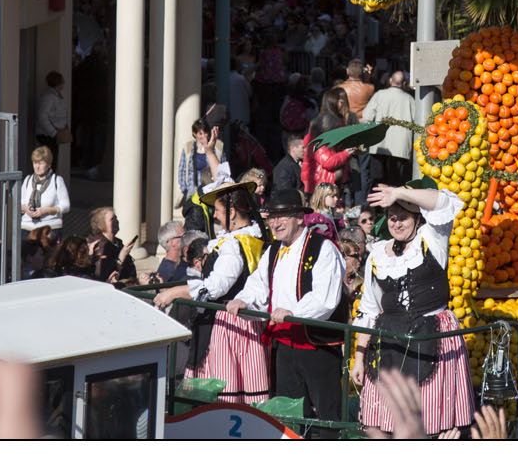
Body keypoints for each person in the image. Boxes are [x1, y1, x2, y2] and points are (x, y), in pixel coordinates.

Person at [352, 183, 473, 437]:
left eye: (404, 217)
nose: (397, 224)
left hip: (431, 335)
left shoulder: (432, 238)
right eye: (392, 218)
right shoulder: (377, 254)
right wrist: (359, 357)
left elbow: (444, 201)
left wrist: (399, 193)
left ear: (417, 218)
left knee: (429, 424)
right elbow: (369, 310)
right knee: (385, 426)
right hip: (389, 342)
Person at [228, 188, 349, 430]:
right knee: (287, 412)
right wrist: (243, 300)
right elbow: (258, 286)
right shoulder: (273, 250)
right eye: (272, 216)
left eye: (282, 215)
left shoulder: (323, 248)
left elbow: (326, 297)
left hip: (317, 345)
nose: (275, 222)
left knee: (326, 415)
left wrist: (294, 312)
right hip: (283, 344)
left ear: (298, 217)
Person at [152, 180, 268, 404]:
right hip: (248, 323)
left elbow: (214, 288)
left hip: (230, 326)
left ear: (232, 213)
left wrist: (176, 291)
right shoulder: (257, 237)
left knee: (223, 396)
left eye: (218, 210)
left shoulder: (233, 245)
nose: (215, 215)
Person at [360, 69, 418, 189]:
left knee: (378, 183)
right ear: (404, 84)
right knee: (396, 184)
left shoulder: (379, 95)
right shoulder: (410, 100)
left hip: (379, 145)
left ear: (390, 81)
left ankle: (378, 207)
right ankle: (393, 208)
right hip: (401, 148)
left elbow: (367, 117)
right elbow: (417, 124)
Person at [303, 86, 353, 194]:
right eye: (340, 102)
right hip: (321, 183)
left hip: (329, 181)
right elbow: (328, 161)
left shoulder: (335, 122)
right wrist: (345, 154)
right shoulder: (320, 139)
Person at [19, 144, 70, 234]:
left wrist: (46, 210)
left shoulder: (57, 181)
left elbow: (65, 206)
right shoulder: (28, 179)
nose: (37, 167)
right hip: (27, 227)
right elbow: (20, 202)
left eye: (41, 163)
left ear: (49, 164)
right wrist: (26, 209)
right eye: (35, 163)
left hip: (50, 228)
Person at [88, 207, 137, 284]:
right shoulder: (101, 246)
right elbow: (102, 275)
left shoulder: (117, 242)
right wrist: (120, 259)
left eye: (116, 218)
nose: (116, 221)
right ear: (101, 225)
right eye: (112, 219)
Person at [34, 71, 69, 154]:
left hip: (51, 134)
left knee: (51, 159)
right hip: (47, 134)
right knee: (50, 160)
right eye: (62, 83)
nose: (63, 86)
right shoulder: (49, 97)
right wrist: (54, 133)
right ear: (58, 84)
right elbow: (42, 116)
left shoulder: (55, 96)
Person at [272, 133, 306, 202]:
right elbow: (284, 192)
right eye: (303, 147)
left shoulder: (297, 164)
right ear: (293, 148)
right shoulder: (284, 168)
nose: (305, 150)